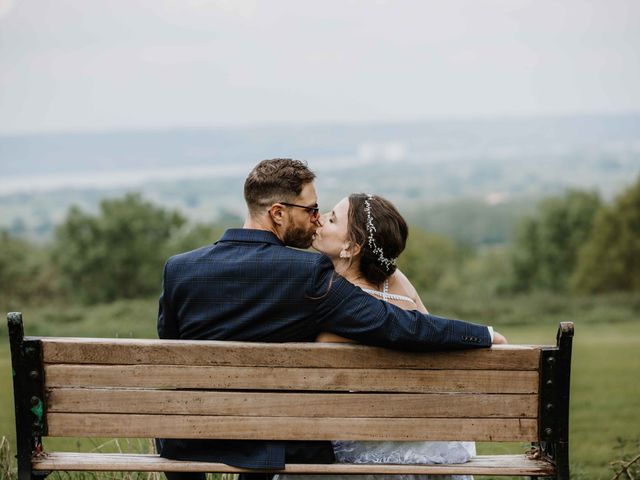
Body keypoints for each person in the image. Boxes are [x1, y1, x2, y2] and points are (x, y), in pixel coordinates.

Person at [156, 158, 506, 480]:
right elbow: (398, 324)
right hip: (273, 440)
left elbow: (170, 353)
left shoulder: (180, 268)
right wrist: (483, 334)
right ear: (278, 213)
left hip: (190, 436)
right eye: (311, 209)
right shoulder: (308, 273)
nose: (316, 218)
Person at [285, 193, 475, 480]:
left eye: (332, 218)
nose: (320, 218)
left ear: (351, 247)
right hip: (425, 442)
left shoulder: (329, 300)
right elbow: (428, 334)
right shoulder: (399, 282)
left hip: (354, 444)